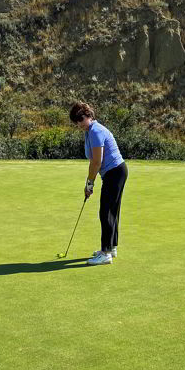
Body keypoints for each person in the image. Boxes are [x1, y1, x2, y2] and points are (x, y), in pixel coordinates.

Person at [69, 101, 128, 265]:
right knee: (111, 211)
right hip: (115, 172)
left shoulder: (95, 131)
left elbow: (96, 161)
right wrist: (89, 183)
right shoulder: (89, 131)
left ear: (86, 117)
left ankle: (106, 253)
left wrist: (90, 184)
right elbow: (93, 161)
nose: (78, 125)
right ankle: (111, 247)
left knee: (106, 212)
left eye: (79, 121)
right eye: (76, 122)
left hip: (115, 172)